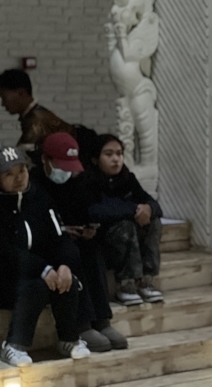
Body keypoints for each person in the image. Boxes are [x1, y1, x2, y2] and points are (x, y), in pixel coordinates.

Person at [33, 132, 128, 352]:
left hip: (72, 238)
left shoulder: (77, 182)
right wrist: (61, 230)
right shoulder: (34, 183)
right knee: (70, 254)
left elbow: (85, 210)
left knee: (91, 250)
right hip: (45, 245)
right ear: (45, 159)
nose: (66, 172)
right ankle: (82, 322)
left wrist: (87, 228)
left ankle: (102, 319)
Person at [0, 145, 90, 367]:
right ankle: (14, 345)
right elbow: (5, 253)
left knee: (68, 281)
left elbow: (60, 238)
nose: (18, 178)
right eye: (9, 174)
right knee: (36, 286)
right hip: (6, 279)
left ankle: (69, 339)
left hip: (39, 274)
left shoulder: (40, 198)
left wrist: (65, 265)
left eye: (21, 170)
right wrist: (42, 268)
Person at [85, 134, 163, 306]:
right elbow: (96, 211)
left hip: (131, 238)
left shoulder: (127, 178)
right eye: (109, 154)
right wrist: (134, 209)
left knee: (154, 222)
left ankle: (145, 281)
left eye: (119, 154)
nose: (116, 159)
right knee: (125, 226)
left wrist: (148, 208)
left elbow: (152, 203)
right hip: (104, 240)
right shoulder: (88, 180)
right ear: (95, 159)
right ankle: (126, 285)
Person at [0, 69, 74, 153]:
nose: (2, 104)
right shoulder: (37, 115)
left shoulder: (36, 122)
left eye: (4, 98)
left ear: (21, 93)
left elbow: (21, 157)